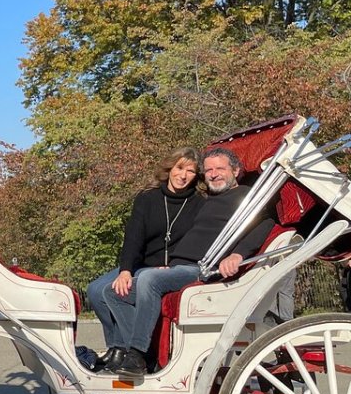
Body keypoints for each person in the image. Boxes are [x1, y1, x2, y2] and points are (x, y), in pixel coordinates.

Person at [103, 146, 276, 378]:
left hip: (201, 270)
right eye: (209, 170)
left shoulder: (245, 197)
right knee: (113, 293)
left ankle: (138, 354)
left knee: (148, 278)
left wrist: (238, 255)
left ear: (235, 170)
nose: (214, 174)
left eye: (220, 169)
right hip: (178, 267)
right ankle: (146, 351)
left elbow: (266, 223)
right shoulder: (207, 200)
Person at [86, 147, 204, 372]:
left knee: (114, 291)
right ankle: (117, 346)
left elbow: (197, 241)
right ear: (169, 168)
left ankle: (134, 351)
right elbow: (133, 237)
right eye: (179, 168)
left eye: (190, 171)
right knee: (94, 290)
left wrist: (169, 268)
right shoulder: (147, 197)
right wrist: (125, 270)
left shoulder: (199, 202)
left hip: (170, 267)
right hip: (143, 263)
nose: (183, 175)